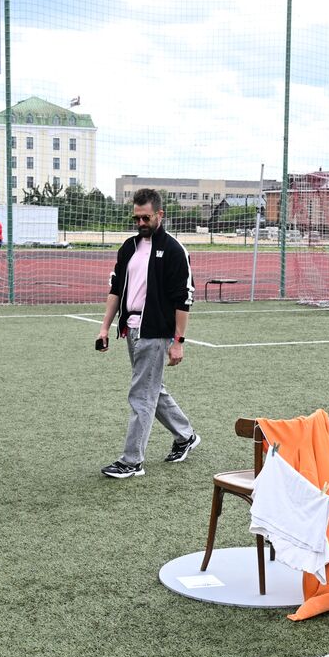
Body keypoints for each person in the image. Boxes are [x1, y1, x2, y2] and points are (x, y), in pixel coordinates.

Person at [96, 188, 201, 478]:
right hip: (130, 330)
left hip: (156, 332)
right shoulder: (128, 247)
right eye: (137, 218)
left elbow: (184, 300)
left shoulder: (175, 250)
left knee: (141, 394)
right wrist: (105, 326)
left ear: (159, 215)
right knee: (153, 388)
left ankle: (132, 461)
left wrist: (178, 342)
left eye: (146, 218)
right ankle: (186, 435)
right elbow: (116, 290)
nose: (141, 223)